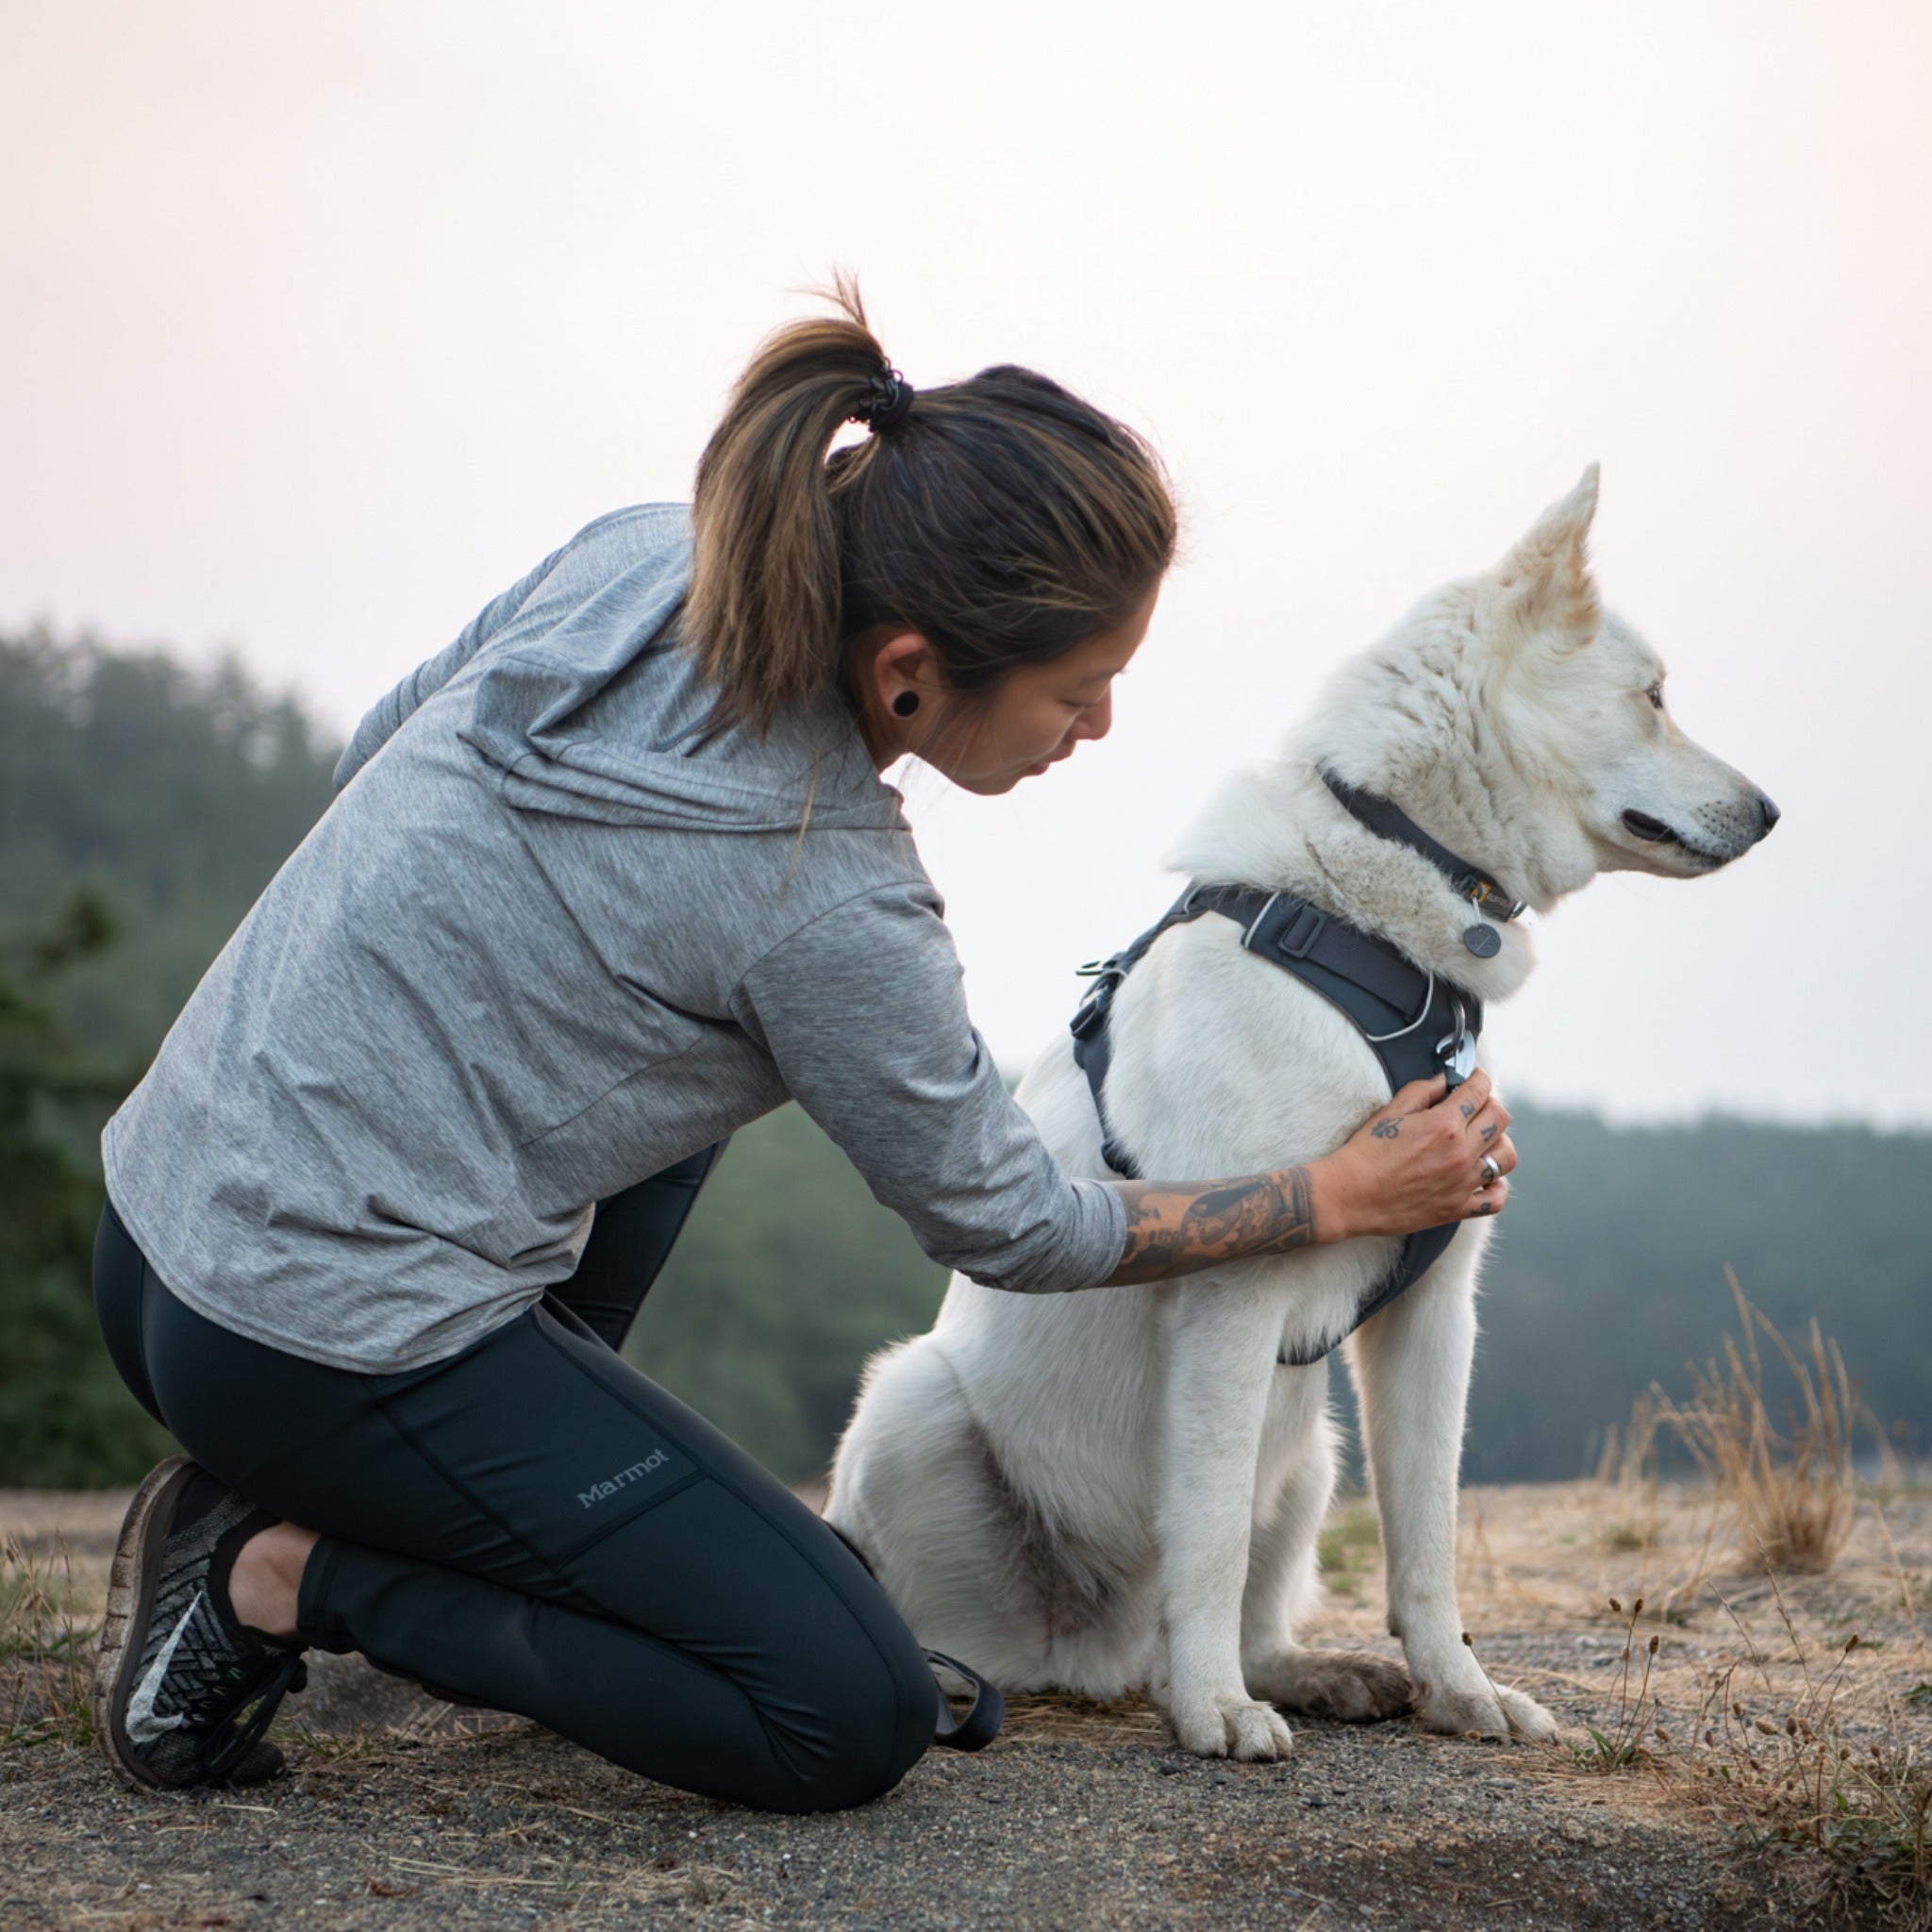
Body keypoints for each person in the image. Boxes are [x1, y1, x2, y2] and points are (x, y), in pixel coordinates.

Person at [90, 285, 1517, 1813]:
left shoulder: (639, 554)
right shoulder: (826, 891)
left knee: (687, 1082)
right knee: (839, 1705)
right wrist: (1331, 1198)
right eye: (1075, 688)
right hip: (313, 1342)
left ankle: (420, 1476)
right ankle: (268, 1572)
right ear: (909, 670)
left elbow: (374, 746)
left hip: (152, 1231)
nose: (1095, 726)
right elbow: (1016, 1225)